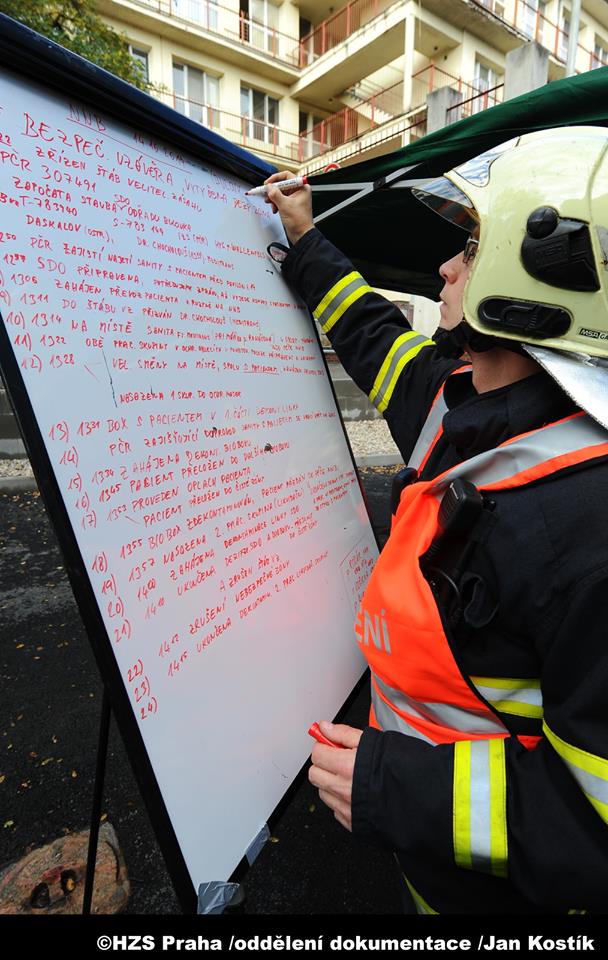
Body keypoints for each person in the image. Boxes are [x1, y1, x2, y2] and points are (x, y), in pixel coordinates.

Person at [265, 127, 608, 914]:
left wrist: (398, 789)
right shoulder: (461, 398)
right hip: (435, 865)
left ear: (549, 280)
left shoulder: (592, 534)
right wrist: (307, 237)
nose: (447, 267)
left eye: (475, 245)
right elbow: (370, 335)